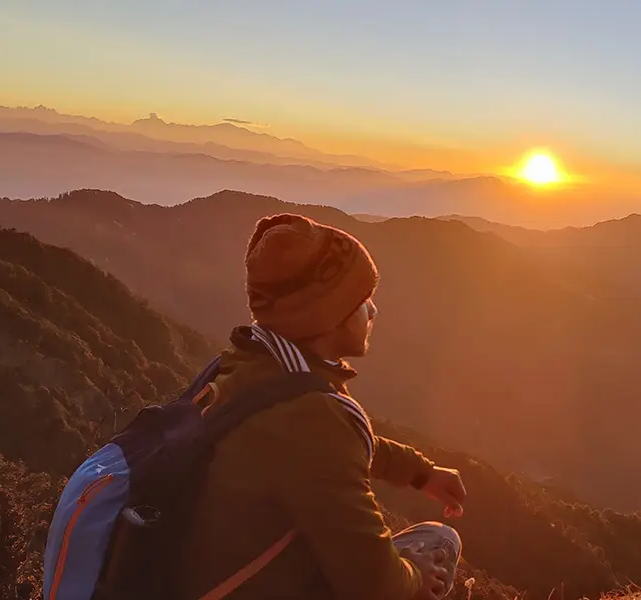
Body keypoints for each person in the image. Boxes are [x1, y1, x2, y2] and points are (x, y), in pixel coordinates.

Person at [176, 213, 467, 600]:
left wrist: (420, 473)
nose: (374, 312)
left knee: (427, 542)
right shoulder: (310, 415)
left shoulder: (251, 363)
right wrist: (417, 575)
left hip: (212, 573)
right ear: (330, 316)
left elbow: (333, 448)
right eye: (363, 302)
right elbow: (375, 584)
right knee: (437, 545)